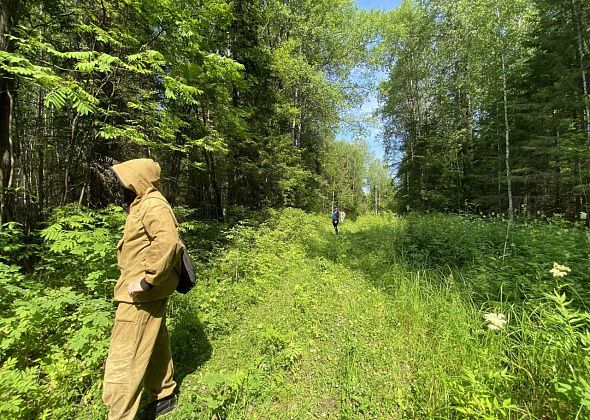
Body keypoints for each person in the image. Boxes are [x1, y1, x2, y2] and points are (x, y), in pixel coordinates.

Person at [103, 158, 184, 420]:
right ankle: (164, 395)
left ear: (137, 180)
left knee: (124, 356)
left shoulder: (152, 204)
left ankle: (119, 414)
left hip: (141, 292)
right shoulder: (142, 204)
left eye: (124, 180)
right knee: (154, 339)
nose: (121, 186)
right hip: (147, 290)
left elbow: (168, 240)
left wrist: (148, 279)